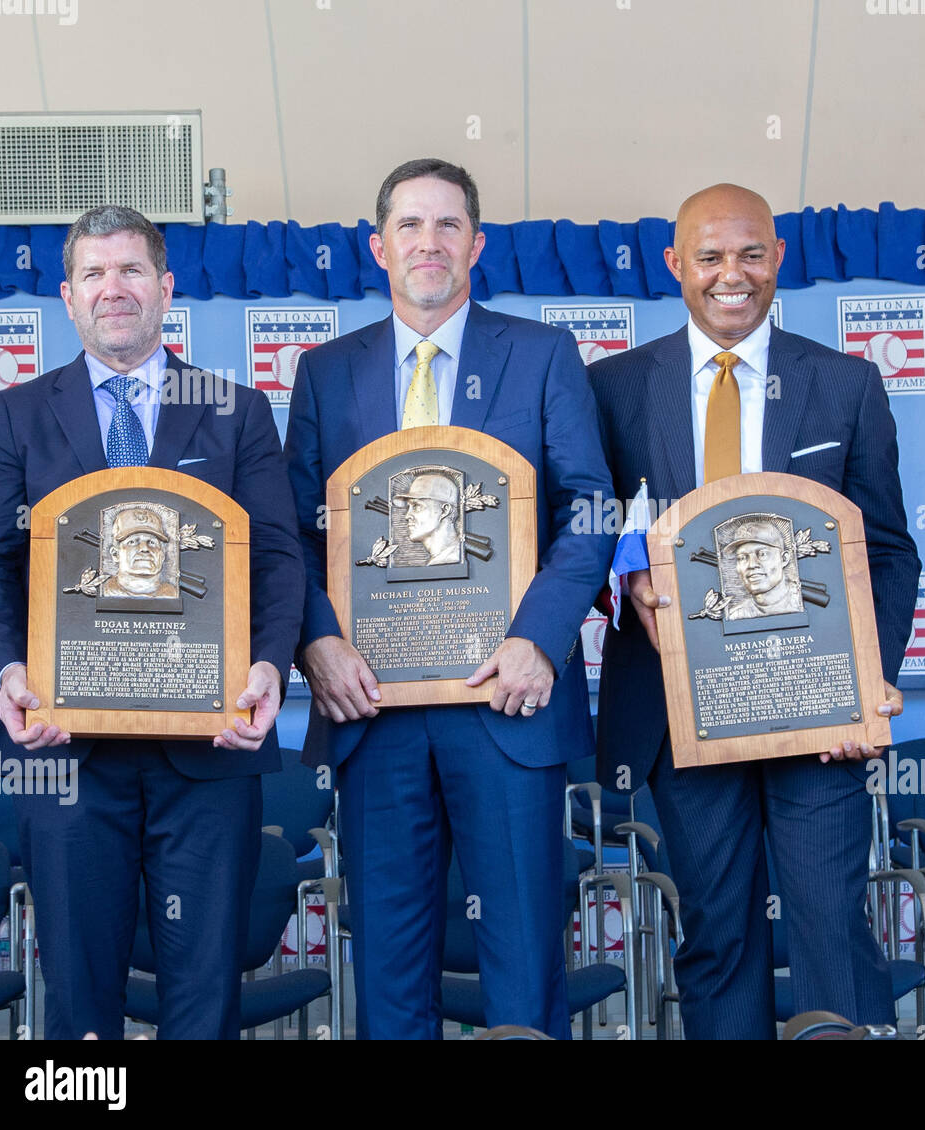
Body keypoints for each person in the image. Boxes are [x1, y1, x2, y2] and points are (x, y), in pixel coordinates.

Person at [284, 158, 614, 1039]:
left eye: (447, 226)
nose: (428, 243)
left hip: (507, 696)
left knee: (522, 949)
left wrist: (540, 638)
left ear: (477, 243)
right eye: (409, 227)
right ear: (378, 247)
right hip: (374, 701)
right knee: (389, 957)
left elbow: (591, 507)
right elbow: (293, 532)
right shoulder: (324, 371)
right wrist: (317, 645)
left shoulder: (543, 354)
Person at [589, 183, 920, 1038]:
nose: (730, 275)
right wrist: (627, 573)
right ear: (675, 265)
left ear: (778, 257)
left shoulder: (845, 384)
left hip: (820, 713)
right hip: (680, 713)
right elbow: (586, 523)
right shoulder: (615, 387)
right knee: (718, 938)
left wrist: (865, 683)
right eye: (708, 256)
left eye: (749, 253)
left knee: (832, 930)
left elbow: (887, 547)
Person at [0, 205, 304, 1039]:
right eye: (93, 273)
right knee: (82, 996)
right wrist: (8, 673)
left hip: (210, 745)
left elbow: (276, 556)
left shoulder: (235, 409)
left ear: (166, 287)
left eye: (130, 272)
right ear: (66, 296)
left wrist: (268, 667)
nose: (112, 289)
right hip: (65, 749)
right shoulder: (14, 414)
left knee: (205, 993)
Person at [723, 519, 801, 618]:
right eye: (742, 557)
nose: (752, 565)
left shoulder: (798, 602)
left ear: (784, 559)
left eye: (762, 554)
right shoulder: (736, 615)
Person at [101, 506, 180, 599]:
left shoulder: (172, 594)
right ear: (115, 554)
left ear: (162, 555)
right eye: (132, 542)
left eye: (151, 542)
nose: (144, 548)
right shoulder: (105, 591)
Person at [395, 472, 462, 565]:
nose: (407, 516)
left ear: (444, 511)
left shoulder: (454, 556)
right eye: (408, 508)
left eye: (417, 506)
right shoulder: (442, 557)